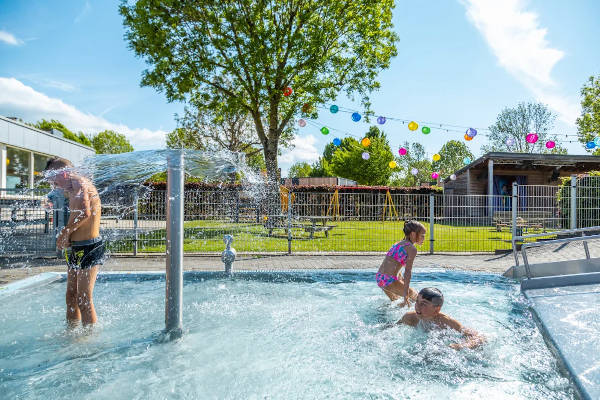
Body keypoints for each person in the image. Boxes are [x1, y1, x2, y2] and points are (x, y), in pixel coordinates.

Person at [44, 158, 104, 327]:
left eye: (53, 180)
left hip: (89, 247)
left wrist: (65, 233)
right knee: (71, 297)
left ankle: (89, 342)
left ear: (62, 173)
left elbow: (84, 212)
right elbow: (77, 215)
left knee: (84, 299)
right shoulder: (71, 188)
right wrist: (69, 237)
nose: (53, 185)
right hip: (77, 247)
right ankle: (72, 336)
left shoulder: (79, 182)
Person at [399, 287, 485, 350]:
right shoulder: (410, 317)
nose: (417, 306)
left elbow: (479, 337)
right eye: (417, 301)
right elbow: (391, 327)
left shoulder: (446, 322)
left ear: (437, 309)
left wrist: (460, 346)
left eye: (424, 304)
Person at [376, 220, 425, 307]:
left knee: (395, 303)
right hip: (389, 280)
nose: (424, 238)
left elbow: (393, 264)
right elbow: (407, 272)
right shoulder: (412, 249)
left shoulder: (398, 244)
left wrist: (400, 280)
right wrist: (406, 293)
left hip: (380, 277)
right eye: (422, 235)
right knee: (417, 298)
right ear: (413, 234)